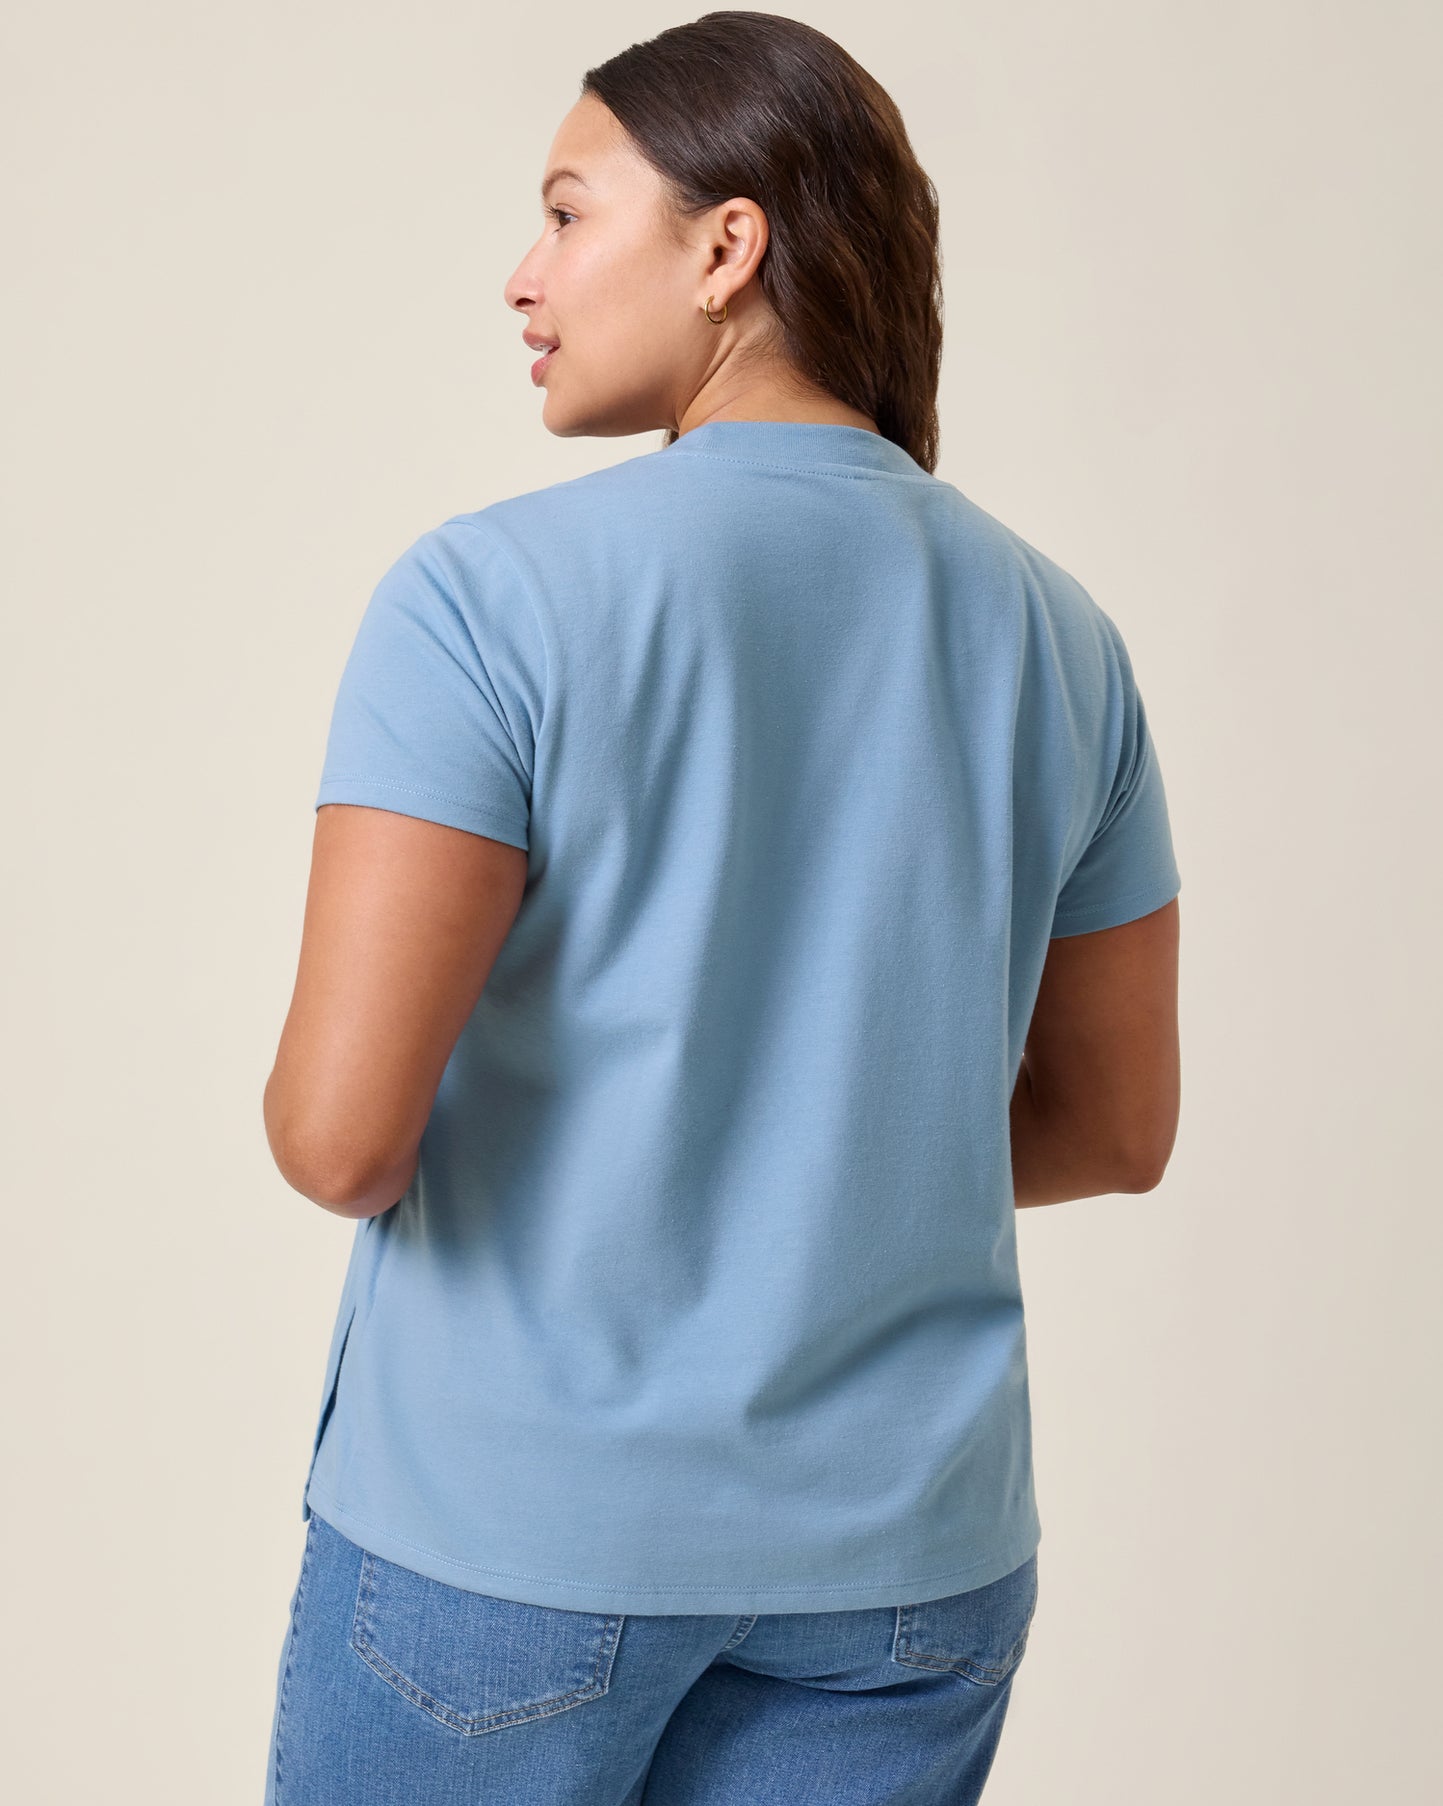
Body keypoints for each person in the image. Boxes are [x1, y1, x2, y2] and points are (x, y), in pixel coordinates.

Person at [259, 14, 1182, 1804]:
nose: (521, 276)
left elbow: (339, 1137)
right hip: (907, 1574)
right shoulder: (1064, 638)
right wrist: (811, 1145)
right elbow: (1113, 1124)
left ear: (725, 245)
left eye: (566, 214)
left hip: (515, 1545)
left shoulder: (484, 601)